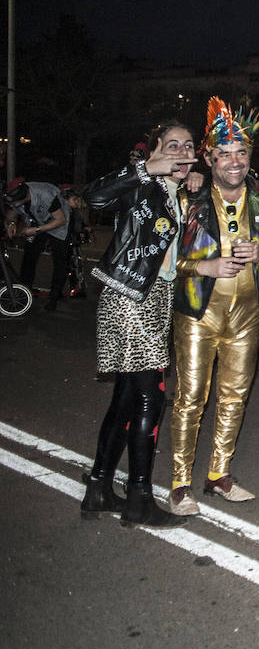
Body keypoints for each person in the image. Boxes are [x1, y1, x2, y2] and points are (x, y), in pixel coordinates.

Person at [81, 121, 197, 528]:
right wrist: (146, 168)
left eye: (188, 146)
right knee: (150, 396)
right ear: (155, 151)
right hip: (133, 298)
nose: (182, 153)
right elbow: (93, 197)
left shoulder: (173, 191)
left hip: (152, 298)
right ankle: (139, 498)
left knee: (126, 399)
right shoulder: (142, 182)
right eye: (172, 146)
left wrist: (184, 179)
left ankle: (98, 487)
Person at [167, 99, 259, 516]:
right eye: (224, 153)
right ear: (209, 158)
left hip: (248, 313)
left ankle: (219, 474)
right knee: (190, 397)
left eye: (242, 153)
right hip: (200, 311)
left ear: (250, 157)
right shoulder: (187, 197)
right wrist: (205, 265)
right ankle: (180, 483)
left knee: (234, 397)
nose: (234, 161)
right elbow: (168, 263)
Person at [8, 178, 71, 311]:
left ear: (26, 196)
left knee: (59, 260)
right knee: (29, 256)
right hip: (36, 221)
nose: (15, 204)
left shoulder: (45, 195)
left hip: (58, 223)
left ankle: (54, 297)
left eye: (17, 202)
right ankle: (25, 290)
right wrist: (12, 223)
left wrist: (35, 230)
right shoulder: (17, 196)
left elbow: (60, 220)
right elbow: (12, 212)